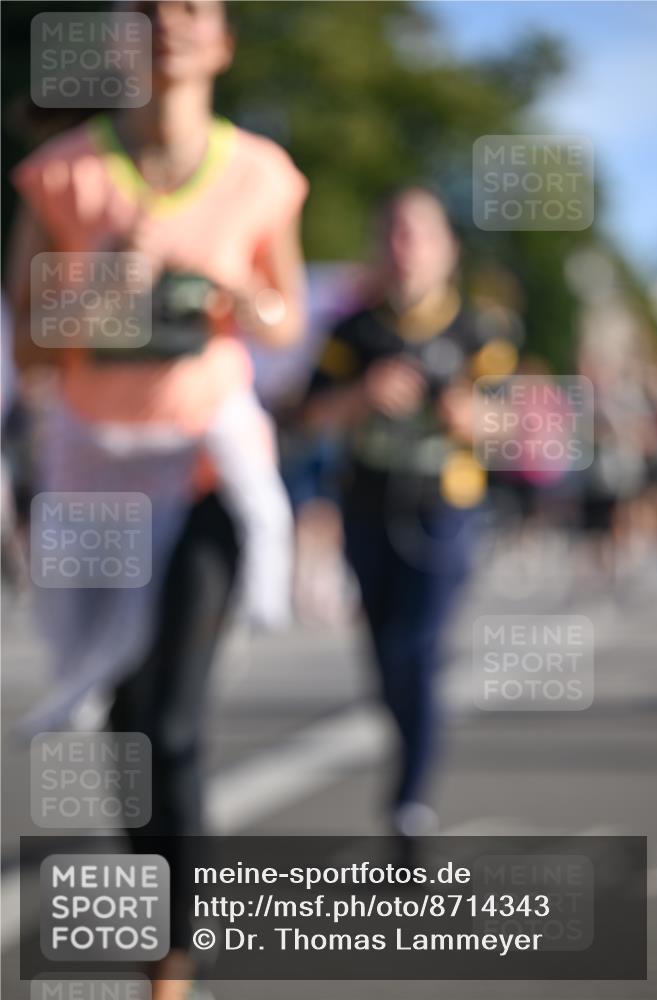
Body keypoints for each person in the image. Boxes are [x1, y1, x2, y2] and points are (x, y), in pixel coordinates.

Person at [8, 2, 307, 996]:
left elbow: (283, 315)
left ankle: (173, 956)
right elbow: (31, 347)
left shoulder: (262, 174)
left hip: (207, 468)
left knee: (174, 717)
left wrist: (229, 287)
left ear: (222, 43)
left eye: (193, 9)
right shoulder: (63, 175)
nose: (171, 23)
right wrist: (102, 282)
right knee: (126, 718)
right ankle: (162, 917)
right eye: (148, 9)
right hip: (97, 467)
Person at [304, 187, 513, 843]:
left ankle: (409, 805)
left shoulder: (480, 329)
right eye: (391, 234)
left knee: (418, 650)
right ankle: (407, 762)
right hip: (366, 507)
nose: (403, 249)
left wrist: (470, 417)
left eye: (417, 234)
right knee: (385, 660)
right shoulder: (351, 329)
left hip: (442, 510)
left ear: (446, 249)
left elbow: (510, 421)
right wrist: (361, 397)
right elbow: (308, 414)